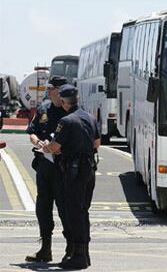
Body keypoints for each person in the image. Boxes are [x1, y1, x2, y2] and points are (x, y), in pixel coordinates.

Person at [42, 84, 100, 269]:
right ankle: (84, 254)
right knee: (83, 211)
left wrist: (45, 147)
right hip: (89, 169)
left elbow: (55, 147)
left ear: (64, 102)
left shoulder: (66, 121)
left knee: (73, 212)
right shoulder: (90, 117)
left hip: (74, 171)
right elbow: (97, 143)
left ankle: (79, 257)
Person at [25, 76, 72, 263]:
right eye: (53, 88)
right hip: (44, 166)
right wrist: (38, 142)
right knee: (43, 208)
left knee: (65, 209)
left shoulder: (71, 111)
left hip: (63, 167)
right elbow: (32, 131)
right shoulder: (43, 109)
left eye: (57, 88)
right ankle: (45, 249)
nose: (54, 91)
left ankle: (71, 249)